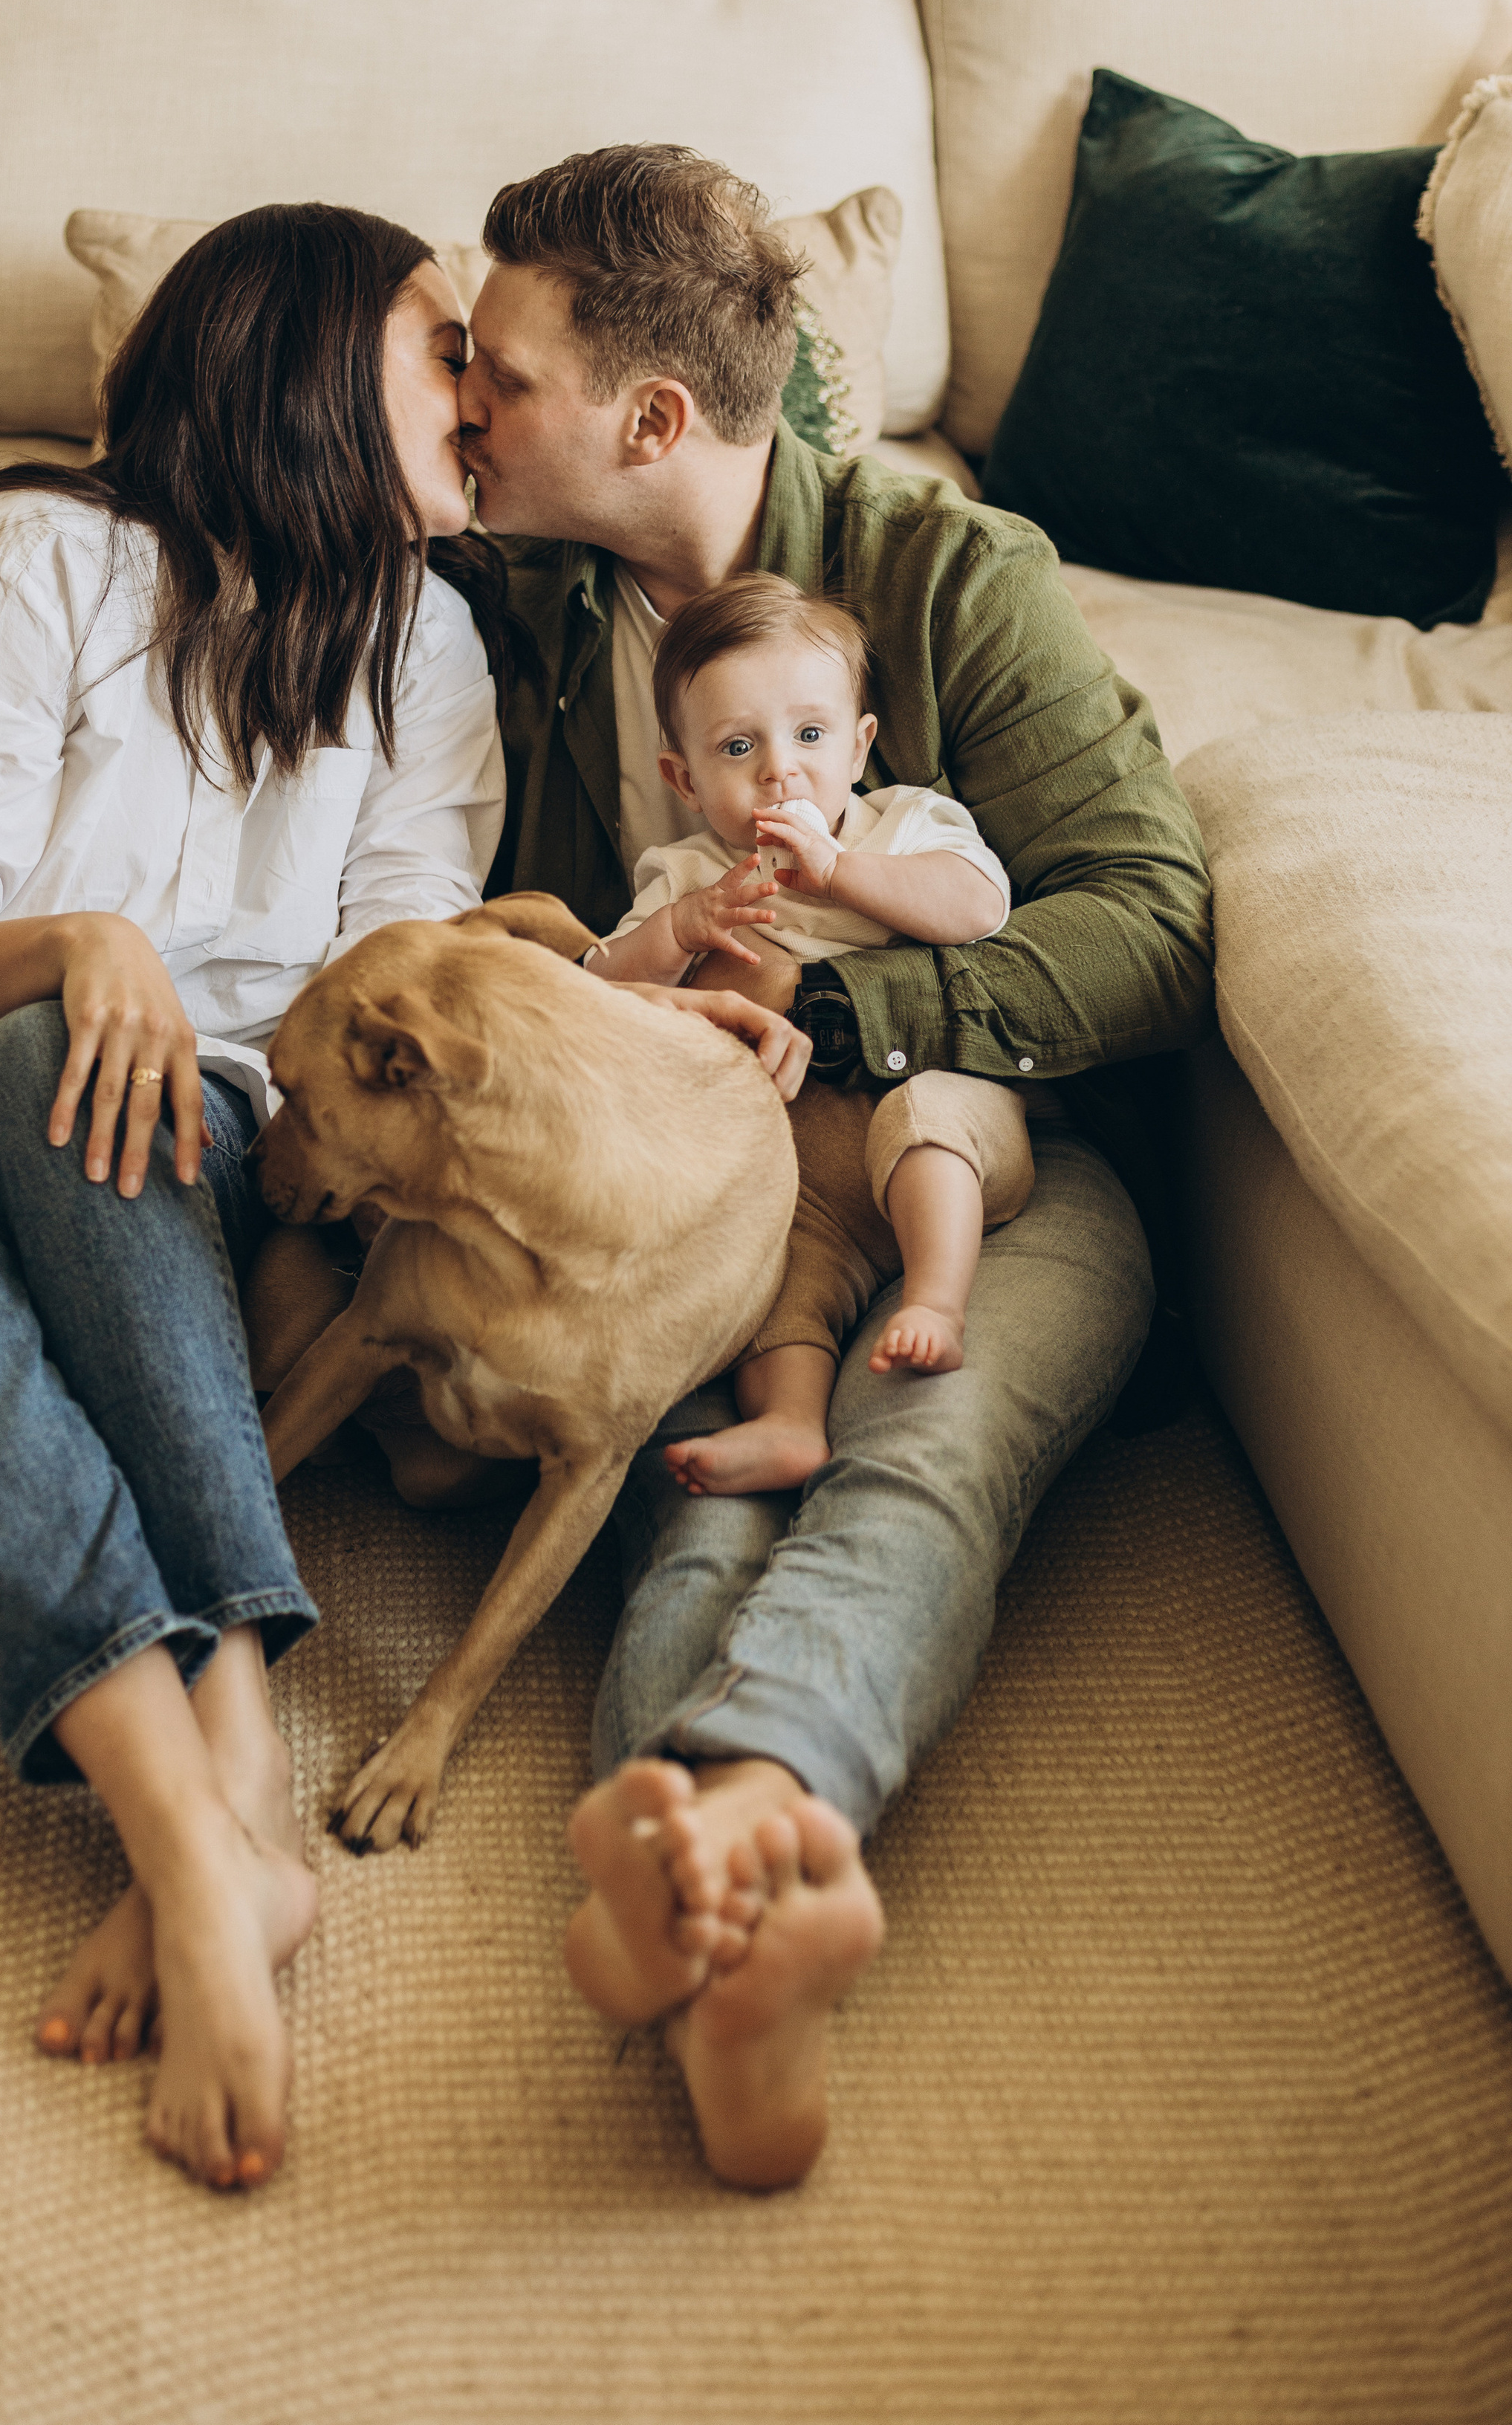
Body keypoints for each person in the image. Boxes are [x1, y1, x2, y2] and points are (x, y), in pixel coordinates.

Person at [0, 204, 514, 2196]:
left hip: (145, 1171)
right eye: (441, 353)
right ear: (310, 366)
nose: (477, 401)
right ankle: (218, 1818)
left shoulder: (438, 645)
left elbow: (408, 972)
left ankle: (204, 1835)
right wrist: (75, 941)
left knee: (82, 1072)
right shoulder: (28, 559)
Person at [459, 143, 1213, 2190]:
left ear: (645, 421)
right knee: (688, 1495)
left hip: (995, 1165)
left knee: (918, 1452)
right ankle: (740, 1906)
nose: (460, 401)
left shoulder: (944, 574)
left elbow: (1148, 916)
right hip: (717, 1205)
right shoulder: (497, 607)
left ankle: (717, 1821)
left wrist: (847, 1024)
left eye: (496, 371)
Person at [588, 572, 1035, 1495]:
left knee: (927, 1121)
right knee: (772, 1267)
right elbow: (595, 994)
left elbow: (978, 907)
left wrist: (842, 874)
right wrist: (678, 932)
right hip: (801, 1179)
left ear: (861, 743)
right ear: (683, 777)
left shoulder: (902, 824)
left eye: (810, 735)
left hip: (926, 1115)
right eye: (738, 746)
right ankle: (789, 1424)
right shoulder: (687, 874)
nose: (779, 769)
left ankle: (936, 1301)